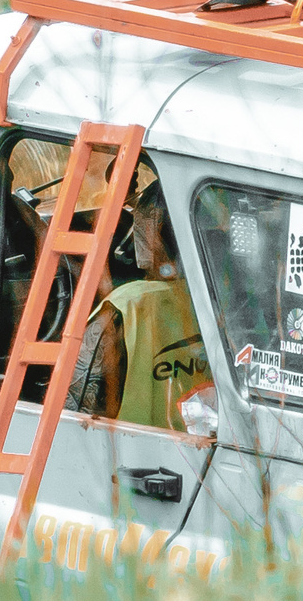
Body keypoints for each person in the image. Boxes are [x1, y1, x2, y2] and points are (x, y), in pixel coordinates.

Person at [66, 183, 212, 431]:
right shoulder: (241, 303)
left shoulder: (126, 307)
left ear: (153, 231)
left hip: (136, 460)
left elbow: (72, 419)